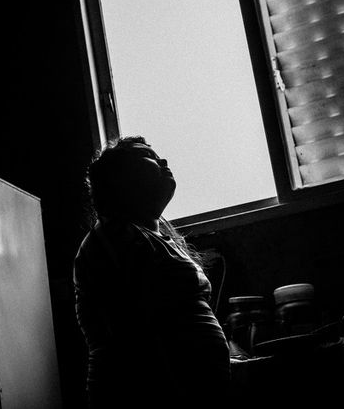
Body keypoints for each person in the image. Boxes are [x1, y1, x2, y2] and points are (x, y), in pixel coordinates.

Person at [73, 136, 231, 406]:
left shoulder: (148, 235)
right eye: (148, 155)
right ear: (121, 179)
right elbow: (137, 336)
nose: (163, 161)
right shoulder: (114, 239)